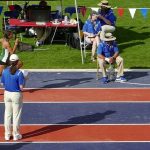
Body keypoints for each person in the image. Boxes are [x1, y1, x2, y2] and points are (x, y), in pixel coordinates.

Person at [1, 54, 25, 141]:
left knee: (7, 114)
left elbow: (2, 83)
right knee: (16, 115)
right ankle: (16, 134)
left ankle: (7, 135)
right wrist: (26, 78)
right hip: (16, 95)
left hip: (7, 94)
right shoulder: (19, 73)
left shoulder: (4, 71)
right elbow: (21, 87)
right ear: (17, 61)